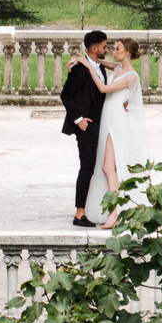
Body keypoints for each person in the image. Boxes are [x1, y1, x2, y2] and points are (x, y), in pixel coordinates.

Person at [58, 29, 109, 227]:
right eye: (104, 46)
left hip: (100, 124)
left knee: (97, 166)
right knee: (87, 167)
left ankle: (95, 206)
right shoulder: (79, 69)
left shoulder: (97, 65)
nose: (107, 49)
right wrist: (79, 119)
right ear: (94, 48)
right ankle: (79, 213)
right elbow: (65, 95)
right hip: (86, 126)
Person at [96, 37, 152, 214]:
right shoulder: (119, 68)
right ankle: (114, 209)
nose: (114, 51)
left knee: (109, 166)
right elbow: (104, 63)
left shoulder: (132, 76)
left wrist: (89, 68)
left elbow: (104, 89)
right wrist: (87, 60)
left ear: (127, 52)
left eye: (117, 48)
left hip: (116, 118)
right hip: (108, 115)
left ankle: (115, 212)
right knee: (107, 166)